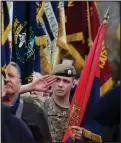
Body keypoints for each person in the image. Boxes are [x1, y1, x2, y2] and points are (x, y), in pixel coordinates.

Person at [2, 61, 56, 142]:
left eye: (11, 76)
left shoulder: (34, 112)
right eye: (3, 76)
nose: (6, 79)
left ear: (20, 83)